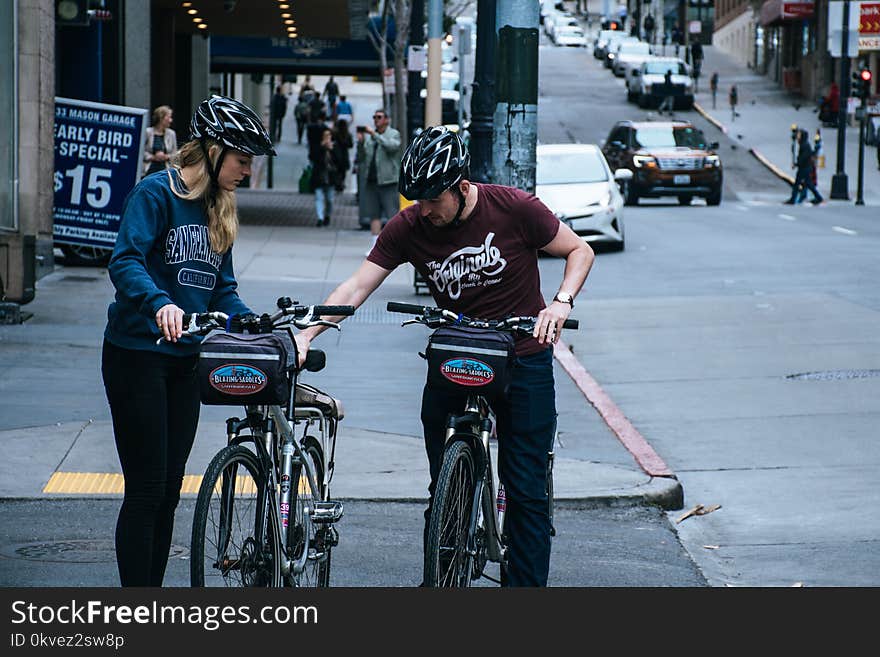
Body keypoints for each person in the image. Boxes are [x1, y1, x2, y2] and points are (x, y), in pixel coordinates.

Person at [292, 127, 595, 587]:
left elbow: (579, 250)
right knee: (444, 486)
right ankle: (443, 569)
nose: (425, 209)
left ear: (462, 185)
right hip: (458, 353)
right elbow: (356, 287)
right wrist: (307, 334)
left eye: (434, 198)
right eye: (418, 199)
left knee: (526, 490)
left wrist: (560, 303)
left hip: (522, 355)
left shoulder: (513, 208)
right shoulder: (410, 226)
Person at [102, 95, 275, 587]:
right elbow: (125, 261)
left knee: (171, 491)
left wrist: (251, 323)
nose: (247, 171)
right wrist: (161, 303)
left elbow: (223, 289)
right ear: (214, 151)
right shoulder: (157, 194)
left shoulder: (220, 210)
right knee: (146, 489)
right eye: (242, 160)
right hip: (137, 355)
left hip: (184, 363)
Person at [356, 108, 402, 252]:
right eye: (374, 117)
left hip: (388, 181)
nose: (376, 120)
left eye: (379, 117)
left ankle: (395, 246)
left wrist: (374, 135)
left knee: (392, 215)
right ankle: (375, 247)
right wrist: (361, 143)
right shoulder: (370, 138)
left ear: (387, 120)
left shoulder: (393, 134)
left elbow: (391, 147)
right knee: (374, 214)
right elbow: (362, 158)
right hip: (372, 181)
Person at [310, 127, 346, 226]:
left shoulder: (335, 147)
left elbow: (340, 161)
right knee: (319, 197)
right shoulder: (317, 147)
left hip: (331, 177)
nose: (327, 138)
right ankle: (320, 218)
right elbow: (313, 158)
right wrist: (322, 148)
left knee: (329, 199)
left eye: (329, 136)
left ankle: (327, 215)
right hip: (319, 176)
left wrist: (332, 150)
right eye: (325, 136)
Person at [785, 129, 823, 205]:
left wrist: (797, 164)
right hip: (805, 167)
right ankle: (818, 197)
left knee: (798, 184)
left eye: (799, 135)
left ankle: (793, 199)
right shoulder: (804, 144)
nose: (797, 136)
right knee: (808, 183)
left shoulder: (805, 145)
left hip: (804, 168)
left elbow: (804, 157)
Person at [143, 105, 178, 177]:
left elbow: (175, 154)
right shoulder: (147, 132)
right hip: (148, 171)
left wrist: (165, 156)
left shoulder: (171, 134)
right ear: (161, 118)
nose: (171, 120)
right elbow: (140, 152)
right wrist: (153, 157)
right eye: (169, 117)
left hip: (165, 171)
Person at [332, 118, 354, 192]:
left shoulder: (334, 133)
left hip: (336, 154)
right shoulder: (348, 135)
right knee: (343, 171)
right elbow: (351, 145)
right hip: (344, 154)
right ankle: (341, 183)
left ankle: (337, 183)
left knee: (336, 170)